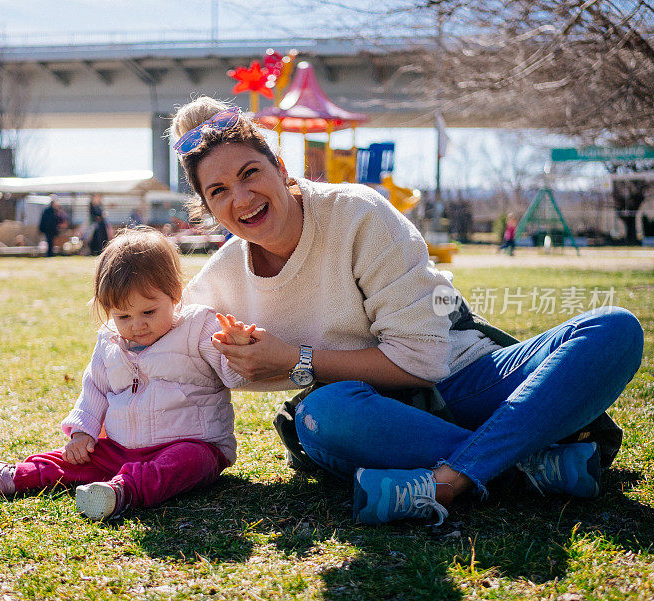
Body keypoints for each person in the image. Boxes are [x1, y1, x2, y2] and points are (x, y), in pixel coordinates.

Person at [171, 96, 644, 526]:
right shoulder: (223, 276)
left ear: (280, 167)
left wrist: (296, 358)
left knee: (614, 329)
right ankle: (525, 458)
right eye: (218, 190)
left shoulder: (356, 213)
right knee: (321, 415)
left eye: (250, 173)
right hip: (376, 417)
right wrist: (100, 429)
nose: (241, 197)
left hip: (464, 381)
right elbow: (164, 338)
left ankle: (448, 481)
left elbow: (424, 362)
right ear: (208, 207)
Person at [0, 227, 255, 521]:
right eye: (123, 316)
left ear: (175, 294)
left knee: (187, 463)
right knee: (75, 460)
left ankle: (120, 492)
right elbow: (94, 390)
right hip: (121, 448)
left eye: (149, 312)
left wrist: (237, 349)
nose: (137, 325)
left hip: (193, 443)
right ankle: (8, 476)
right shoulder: (109, 341)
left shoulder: (198, 327)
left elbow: (233, 377)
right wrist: (82, 433)